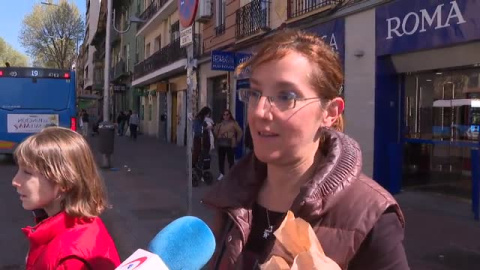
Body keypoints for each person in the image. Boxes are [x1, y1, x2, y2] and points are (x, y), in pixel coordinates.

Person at [202, 30, 408, 269]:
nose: (259, 111)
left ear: (330, 113)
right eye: (255, 93)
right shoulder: (232, 193)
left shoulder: (371, 216)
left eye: (286, 96)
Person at [12, 127, 120, 269]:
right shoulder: (73, 227)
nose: (15, 181)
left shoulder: (71, 257)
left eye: (27, 173)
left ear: (64, 182)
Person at [213, 109, 243, 180]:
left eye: (227, 114)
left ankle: (231, 174)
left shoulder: (233, 123)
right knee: (221, 159)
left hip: (230, 143)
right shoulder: (220, 123)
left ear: (230, 115)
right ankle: (221, 173)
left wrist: (237, 140)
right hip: (221, 143)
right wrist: (216, 130)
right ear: (222, 116)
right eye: (224, 115)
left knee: (231, 160)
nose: (226, 116)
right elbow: (215, 132)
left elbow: (240, 131)